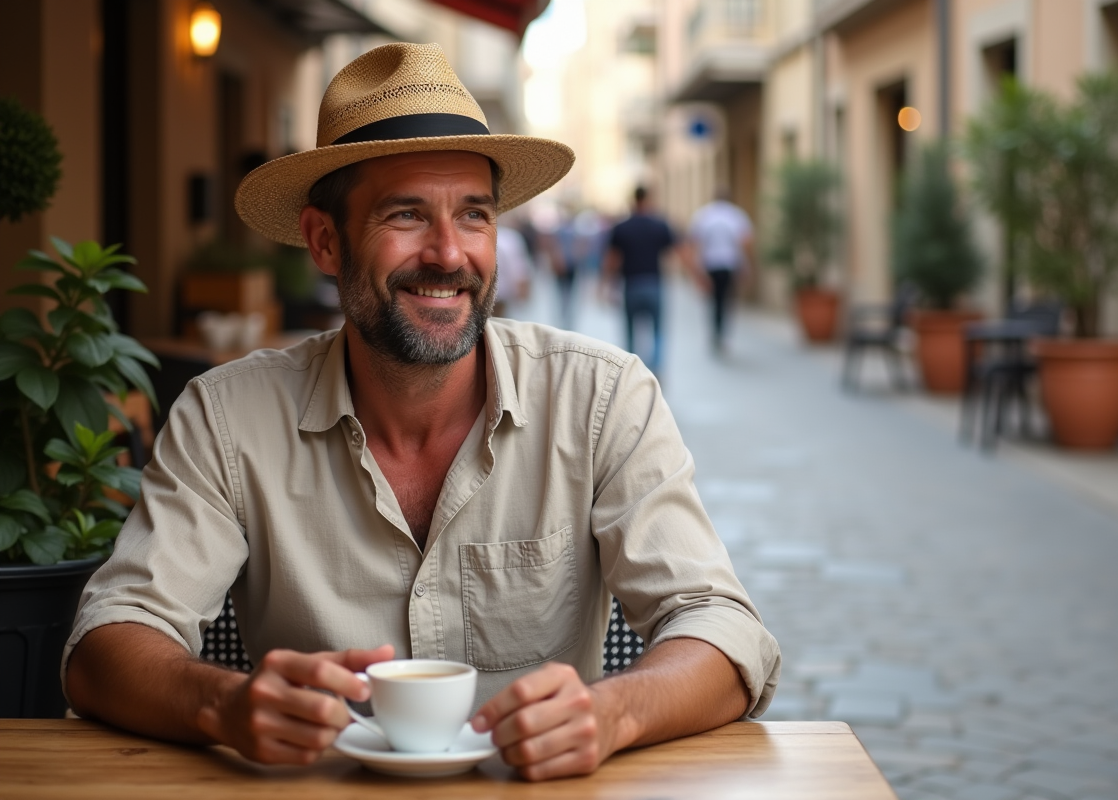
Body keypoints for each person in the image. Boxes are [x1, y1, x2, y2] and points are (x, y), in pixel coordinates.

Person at [62, 43, 779, 782]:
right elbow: (107, 642)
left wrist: (614, 714)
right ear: (325, 241)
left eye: (474, 215)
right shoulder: (227, 416)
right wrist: (224, 705)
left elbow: (722, 628)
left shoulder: (600, 398)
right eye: (405, 214)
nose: (448, 254)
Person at [602, 187, 678, 374]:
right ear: (649, 199)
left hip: (631, 284)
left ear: (634, 200)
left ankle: (631, 370)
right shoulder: (659, 225)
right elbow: (676, 252)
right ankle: (656, 367)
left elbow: (612, 259)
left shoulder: (622, 227)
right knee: (657, 328)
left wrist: (606, 285)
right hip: (653, 283)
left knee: (630, 329)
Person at [688, 188, 755, 354]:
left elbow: (696, 243)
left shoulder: (704, 215)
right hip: (729, 264)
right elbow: (745, 242)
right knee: (726, 300)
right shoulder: (737, 215)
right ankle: (722, 334)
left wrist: (697, 269)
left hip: (710, 264)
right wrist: (746, 265)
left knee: (714, 300)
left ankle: (715, 332)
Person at [492, 222, 532, 318]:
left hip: (498, 294)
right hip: (501, 295)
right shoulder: (509, 238)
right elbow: (519, 271)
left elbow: (519, 270)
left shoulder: (508, 238)